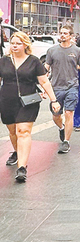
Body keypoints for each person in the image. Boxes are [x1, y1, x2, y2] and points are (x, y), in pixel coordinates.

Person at [1, 32, 59, 182]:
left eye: (18, 43)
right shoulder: (4, 61)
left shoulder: (34, 61)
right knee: (13, 131)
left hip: (28, 101)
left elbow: (44, 82)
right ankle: (17, 151)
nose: (14, 46)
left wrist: (54, 100)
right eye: (12, 43)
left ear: (25, 44)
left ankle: (22, 167)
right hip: (7, 100)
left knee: (23, 131)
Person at [45, 24, 80, 154]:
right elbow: (46, 69)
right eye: (61, 32)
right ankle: (62, 127)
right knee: (56, 116)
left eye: (65, 33)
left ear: (71, 36)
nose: (62, 35)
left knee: (69, 113)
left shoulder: (77, 51)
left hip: (72, 87)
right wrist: (43, 86)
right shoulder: (52, 51)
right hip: (56, 87)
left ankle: (66, 142)